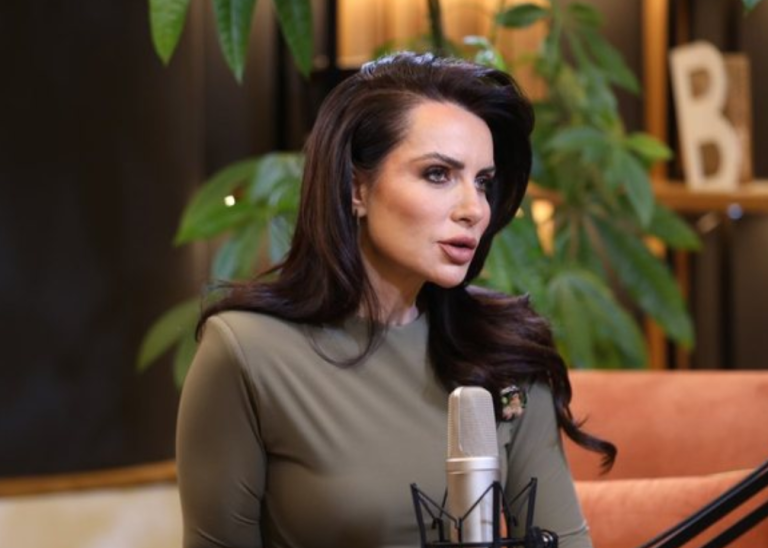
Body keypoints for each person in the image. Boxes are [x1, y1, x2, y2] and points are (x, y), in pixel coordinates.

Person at [176, 52, 615, 548]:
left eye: (483, 182)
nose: (474, 209)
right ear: (355, 188)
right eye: (438, 174)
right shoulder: (247, 353)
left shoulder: (505, 348)